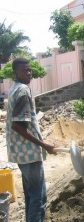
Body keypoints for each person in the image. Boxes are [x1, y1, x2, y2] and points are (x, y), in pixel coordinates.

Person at [6, 58, 57, 222]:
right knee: (38, 199)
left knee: (30, 195)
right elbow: (18, 126)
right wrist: (45, 145)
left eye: (29, 70)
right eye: (24, 70)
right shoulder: (23, 91)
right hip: (29, 154)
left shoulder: (14, 89)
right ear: (16, 72)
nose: (28, 73)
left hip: (20, 154)